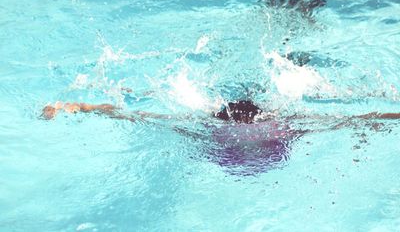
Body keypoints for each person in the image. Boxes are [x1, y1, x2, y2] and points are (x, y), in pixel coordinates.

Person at [41, 99, 400, 174]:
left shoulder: (288, 123)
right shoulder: (206, 126)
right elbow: (133, 114)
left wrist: (75, 107)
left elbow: (357, 118)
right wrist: (73, 106)